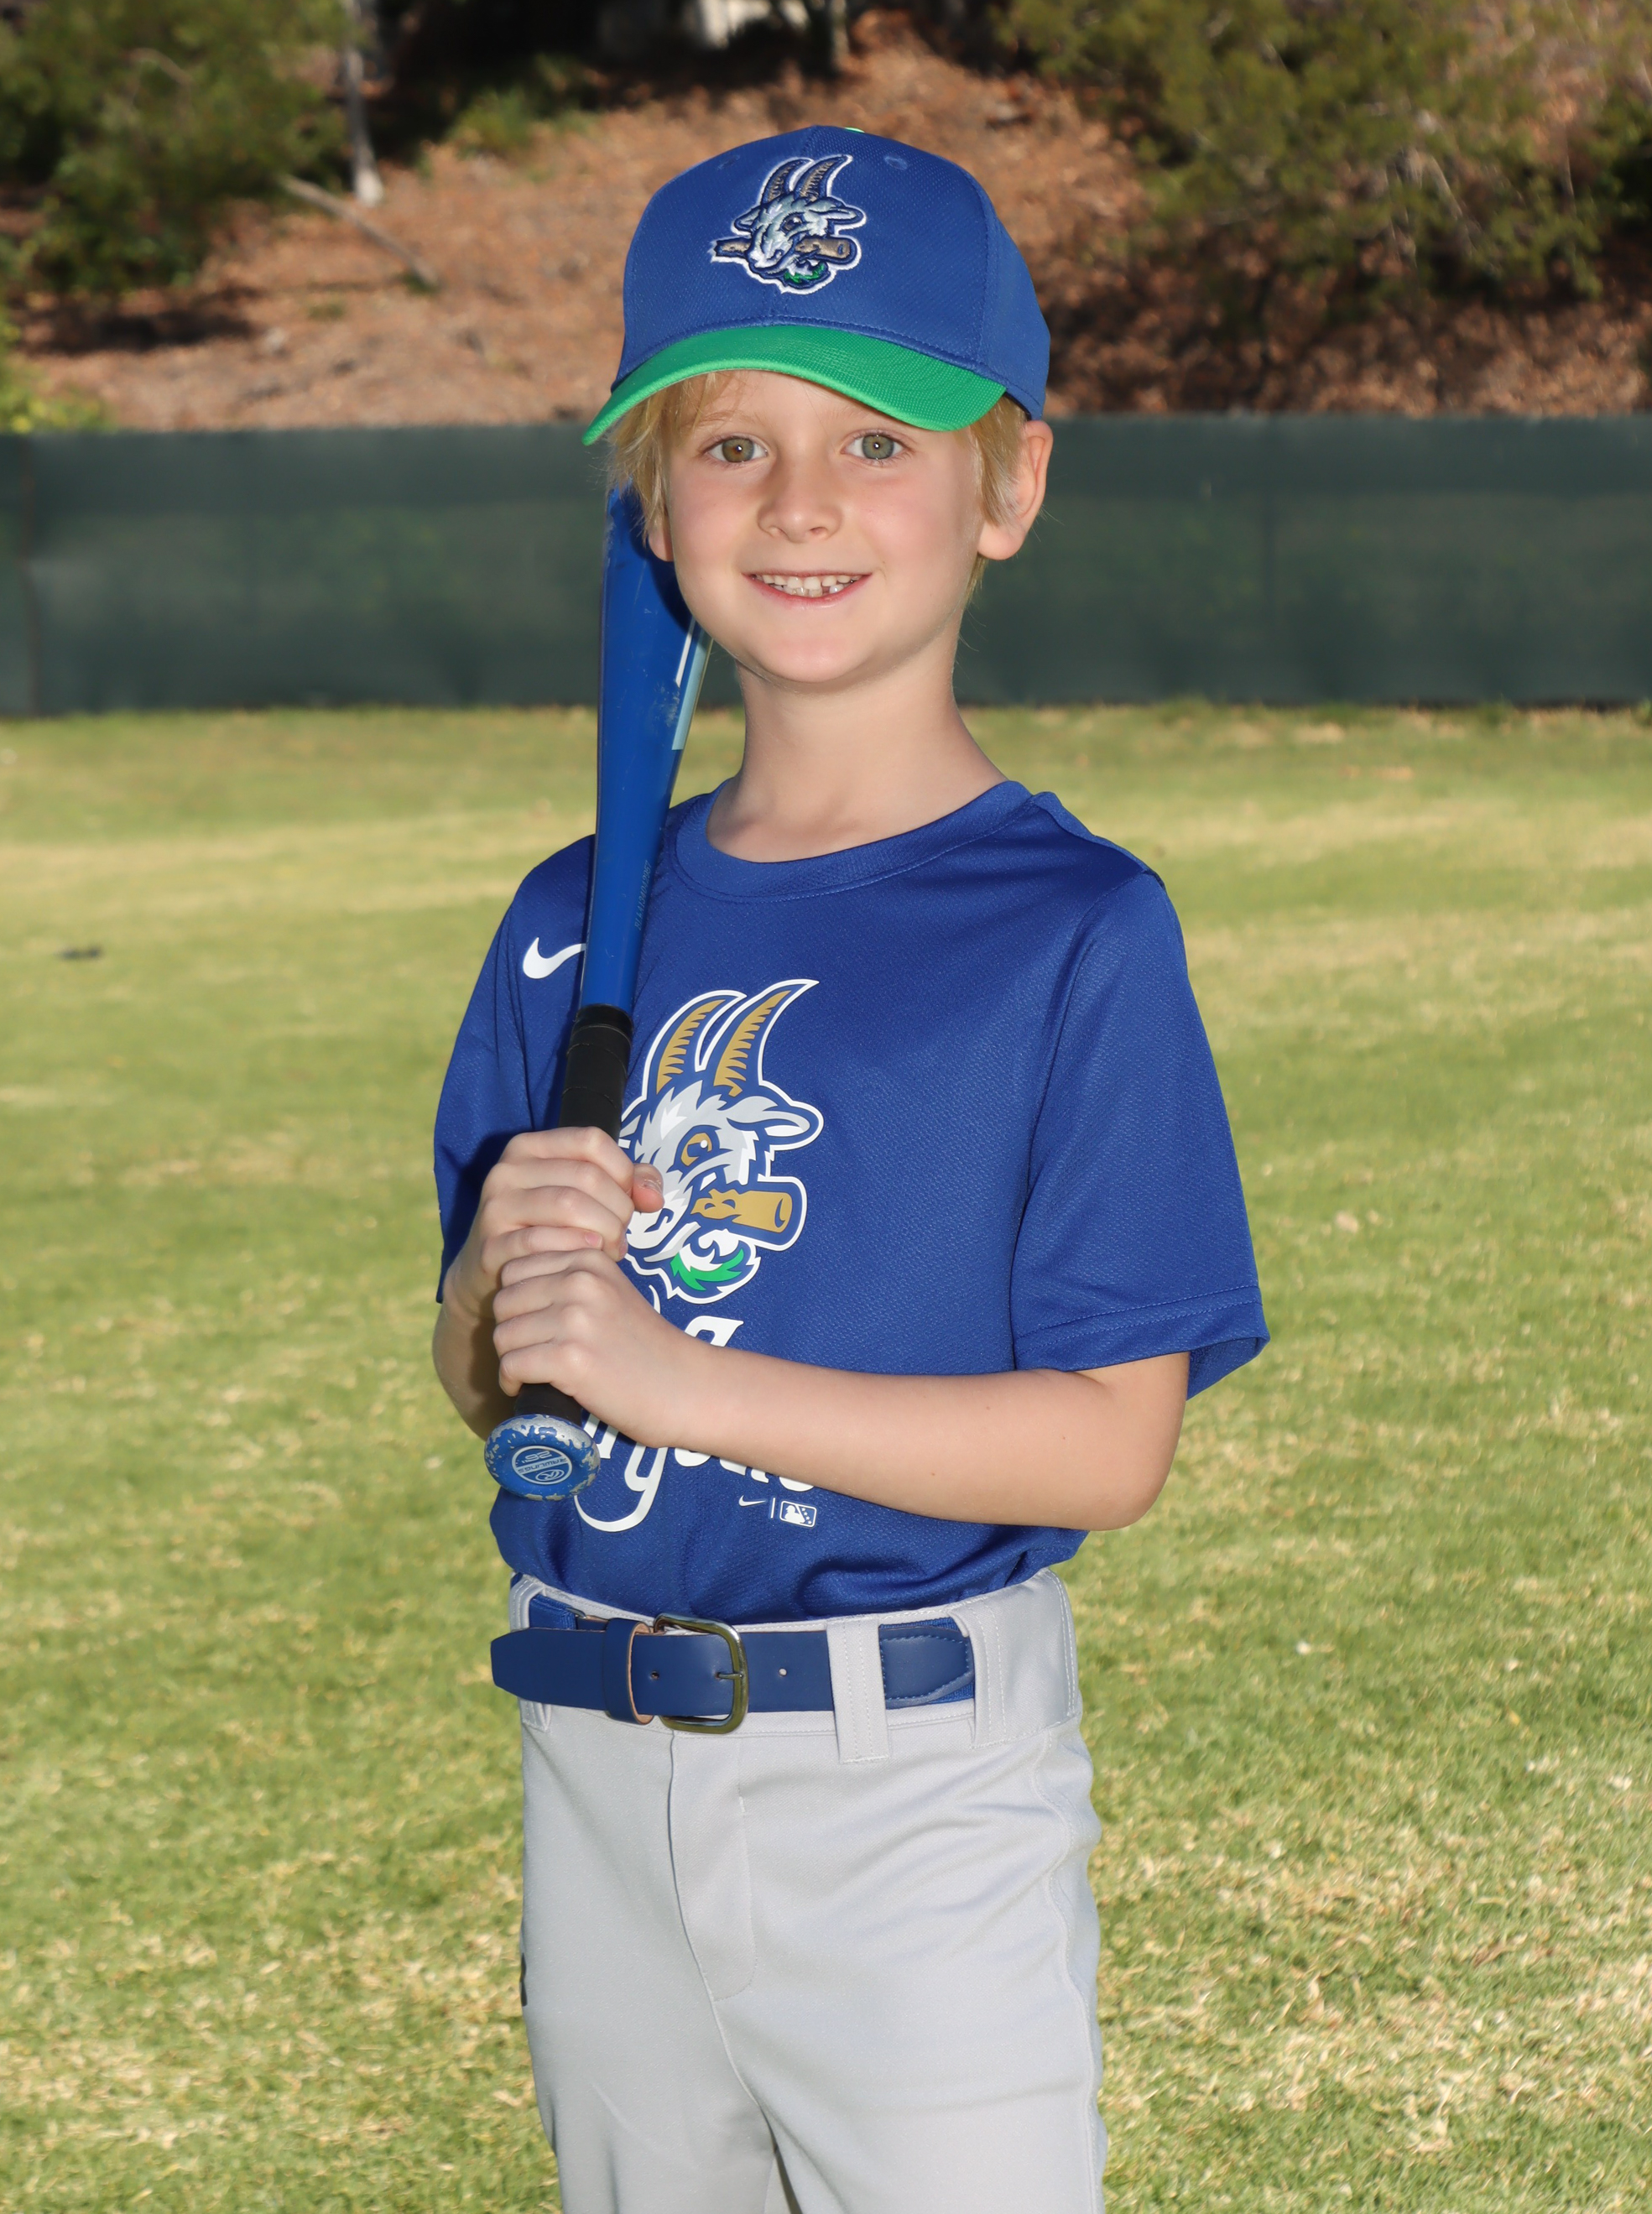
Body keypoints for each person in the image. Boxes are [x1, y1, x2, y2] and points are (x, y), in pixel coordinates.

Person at [430, 126, 1268, 2214]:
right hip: (590, 1762)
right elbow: (495, 1381)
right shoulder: (571, 918)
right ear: (654, 501)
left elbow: (1108, 1444)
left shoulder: (1070, 928)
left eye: (879, 439)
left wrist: (678, 1378)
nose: (799, 500)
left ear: (1008, 483)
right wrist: (497, 1288)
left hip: (907, 1794)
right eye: (730, 442)